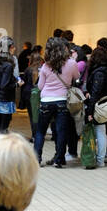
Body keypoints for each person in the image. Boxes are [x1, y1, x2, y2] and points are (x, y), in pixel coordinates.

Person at [32, 35, 79, 168]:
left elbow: (40, 86)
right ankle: (59, 159)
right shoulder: (71, 63)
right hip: (63, 101)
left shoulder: (46, 66)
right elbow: (77, 77)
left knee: (40, 131)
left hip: (46, 101)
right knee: (61, 131)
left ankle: (37, 158)